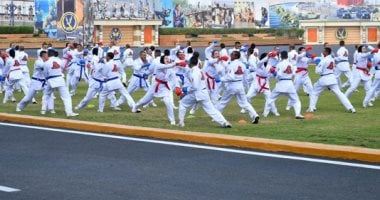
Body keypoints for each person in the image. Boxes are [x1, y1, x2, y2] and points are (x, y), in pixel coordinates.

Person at [178, 56, 231, 128]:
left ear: (191, 63)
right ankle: (224, 122)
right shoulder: (199, 70)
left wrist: (186, 90)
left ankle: (181, 122)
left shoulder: (195, 72)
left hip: (197, 93)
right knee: (211, 110)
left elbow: (195, 86)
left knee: (183, 104)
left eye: (188, 63)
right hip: (203, 92)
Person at [132, 55, 185, 125]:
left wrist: (177, 87)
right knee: (144, 101)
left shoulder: (170, 70)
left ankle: (172, 120)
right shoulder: (159, 65)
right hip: (155, 85)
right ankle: (135, 107)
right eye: (166, 58)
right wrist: (177, 63)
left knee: (168, 102)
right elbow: (168, 66)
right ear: (162, 60)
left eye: (168, 59)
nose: (167, 59)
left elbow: (174, 79)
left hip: (165, 87)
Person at [216, 51, 260, 124]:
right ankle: (255, 115)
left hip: (232, 85)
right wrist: (245, 86)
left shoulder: (232, 65)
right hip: (240, 85)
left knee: (223, 102)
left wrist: (221, 79)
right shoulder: (242, 65)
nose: (231, 55)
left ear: (236, 56)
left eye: (232, 55)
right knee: (244, 103)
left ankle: (216, 117)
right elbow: (245, 76)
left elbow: (230, 77)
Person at [307, 47, 356, 113]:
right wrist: (316, 59)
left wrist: (317, 64)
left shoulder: (324, 60)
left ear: (327, 52)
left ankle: (311, 108)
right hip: (332, 78)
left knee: (314, 92)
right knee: (340, 94)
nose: (322, 52)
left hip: (324, 78)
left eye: (324, 51)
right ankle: (351, 108)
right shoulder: (332, 59)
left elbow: (318, 71)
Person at [263, 51, 304, 119]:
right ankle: (297, 114)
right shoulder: (291, 64)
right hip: (289, 84)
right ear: (287, 56)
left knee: (270, 99)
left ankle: (265, 114)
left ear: (281, 56)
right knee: (296, 100)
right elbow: (294, 73)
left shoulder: (279, 64)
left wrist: (274, 73)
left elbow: (278, 75)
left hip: (281, 84)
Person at [41, 49, 78, 117]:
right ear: (54, 53)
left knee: (46, 95)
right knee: (66, 97)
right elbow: (64, 68)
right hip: (59, 79)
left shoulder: (46, 62)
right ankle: (69, 112)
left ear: (48, 54)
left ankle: (43, 110)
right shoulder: (59, 60)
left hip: (50, 80)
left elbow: (45, 74)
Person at [363, 42, 380, 107]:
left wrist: (367, 45)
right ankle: (372, 98)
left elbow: (374, 63)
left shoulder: (376, 52)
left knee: (372, 88)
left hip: (378, 72)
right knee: (376, 88)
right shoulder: (376, 51)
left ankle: (365, 102)